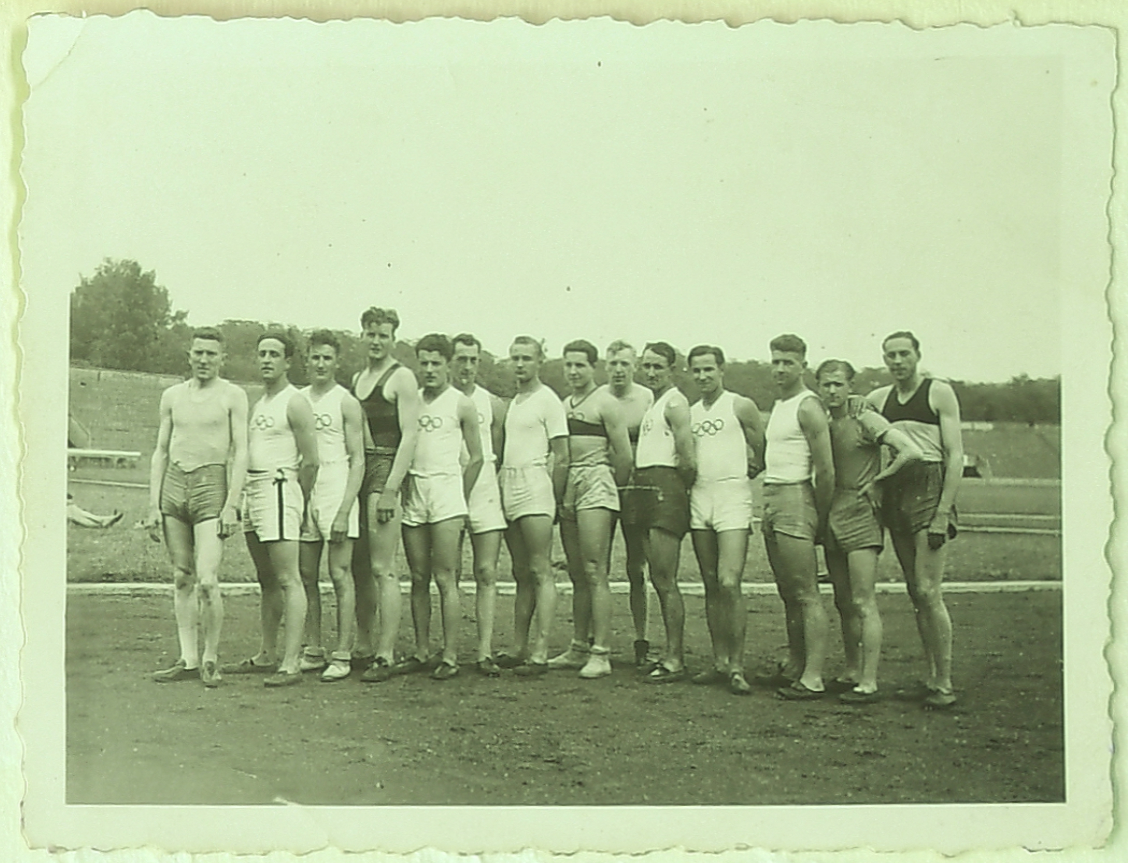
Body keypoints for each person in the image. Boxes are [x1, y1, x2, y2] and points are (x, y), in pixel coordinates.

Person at [144, 327, 248, 688]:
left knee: (207, 580)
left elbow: (241, 451)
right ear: (189, 355)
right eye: (198, 353)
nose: (204, 360)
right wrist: (154, 504)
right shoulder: (172, 395)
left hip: (211, 487)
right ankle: (187, 658)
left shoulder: (232, 395)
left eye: (211, 354)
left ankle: (210, 659)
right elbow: (160, 450)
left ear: (223, 358)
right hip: (174, 485)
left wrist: (233, 504)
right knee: (181, 577)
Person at [867, 331, 963, 710]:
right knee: (914, 589)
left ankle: (944, 682)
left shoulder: (938, 392)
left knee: (928, 590)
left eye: (904, 354)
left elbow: (955, 456)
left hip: (930, 487)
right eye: (890, 355)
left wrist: (943, 511)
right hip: (897, 489)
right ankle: (931, 678)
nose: (897, 361)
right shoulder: (878, 399)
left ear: (917, 355)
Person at [816, 359, 922, 703]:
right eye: (826, 384)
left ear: (850, 386)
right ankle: (851, 671)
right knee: (843, 601)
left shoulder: (865, 417)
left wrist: (880, 481)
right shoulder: (820, 419)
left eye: (838, 384)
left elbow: (910, 451)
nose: (832, 390)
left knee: (863, 600)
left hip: (860, 515)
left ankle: (869, 681)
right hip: (831, 512)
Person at [223, 331, 319, 687]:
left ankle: (291, 662)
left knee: (288, 578)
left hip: (280, 489)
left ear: (288, 361)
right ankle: (266, 654)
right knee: (266, 580)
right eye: (262, 353)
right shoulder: (260, 402)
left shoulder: (295, 401)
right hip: (254, 491)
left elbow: (311, 461)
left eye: (274, 354)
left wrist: (300, 501)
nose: (266, 360)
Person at [398, 334, 484, 681]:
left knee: (445, 577)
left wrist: (457, 497)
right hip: (415, 491)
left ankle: (449, 655)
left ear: (449, 364)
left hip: (447, 493)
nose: (430, 370)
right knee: (418, 577)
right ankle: (421, 650)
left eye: (437, 363)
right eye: (425, 363)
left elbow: (477, 457)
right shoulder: (411, 400)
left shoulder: (461, 403)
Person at [547, 340, 632, 679]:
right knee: (577, 572)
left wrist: (614, 492)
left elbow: (624, 455)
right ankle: (578, 646)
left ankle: (602, 652)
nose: (573, 371)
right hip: (569, 483)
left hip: (598, 482)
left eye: (580, 365)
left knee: (596, 568)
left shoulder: (607, 403)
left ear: (593, 367)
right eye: (568, 365)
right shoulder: (563, 404)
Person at [686, 345, 765, 696]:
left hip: (732, 496)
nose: (703, 376)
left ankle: (737, 665)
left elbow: (761, 449)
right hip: (700, 496)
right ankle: (719, 661)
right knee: (710, 583)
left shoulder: (739, 404)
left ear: (721, 370)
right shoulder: (688, 413)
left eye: (708, 369)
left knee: (729, 581)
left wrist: (751, 468)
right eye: (696, 370)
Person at [761, 334, 834, 701]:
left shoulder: (808, 406)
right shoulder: (780, 404)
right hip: (772, 496)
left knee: (806, 592)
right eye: (775, 361)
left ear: (803, 365)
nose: (780, 368)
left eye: (787, 362)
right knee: (787, 592)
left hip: (796, 496)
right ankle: (796, 663)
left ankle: (814, 676)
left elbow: (825, 468)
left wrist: (818, 516)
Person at [349, 307, 421, 683]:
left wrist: (392, 489)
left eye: (383, 335)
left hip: (386, 469)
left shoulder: (402, 378)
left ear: (394, 338)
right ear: (362, 335)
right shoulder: (358, 377)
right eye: (370, 334)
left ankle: (386, 653)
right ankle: (363, 645)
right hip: (359, 469)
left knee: (382, 567)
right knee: (360, 566)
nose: (376, 341)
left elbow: (410, 436)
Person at [495, 336, 569, 676]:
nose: (520, 364)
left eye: (526, 358)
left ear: (540, 361)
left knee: (540, 570)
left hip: (535, 486)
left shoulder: (548, 400)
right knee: (520, 572)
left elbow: (562, 455)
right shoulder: (517, 401)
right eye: (515, 358)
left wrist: (553, 498)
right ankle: (518, 646)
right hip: (508, 483)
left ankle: (540, 650)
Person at [295, 331, 365, 683]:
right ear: (306, 359)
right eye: (315, 357)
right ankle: (313, 648)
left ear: (337, 362)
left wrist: (344, 509)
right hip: (307, 489)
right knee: (306, 573)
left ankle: (342, 653)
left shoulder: (346, 402)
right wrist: (301, 499)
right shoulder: (298, 399)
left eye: (327, 358)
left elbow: (358, 460)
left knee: (339, 573)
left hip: (337, 489)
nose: (320, 364)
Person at [633, 342, 696, 683]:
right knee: (655, 578)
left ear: (672, 368)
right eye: (647, 366)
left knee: (664, 577)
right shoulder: (653, 404)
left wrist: (672, 491)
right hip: (644, 486)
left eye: (658, 366)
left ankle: (675, 658)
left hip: (664, 488)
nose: (652, 372)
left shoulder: (675, 402)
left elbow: (687, 459)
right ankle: (669, 653)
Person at [451, 333, 509, 677]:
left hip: (483, 488)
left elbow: (495, 453)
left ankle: (485, 651)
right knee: (449, 573)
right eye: (461, 359)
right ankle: (450, 650)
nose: (467, 367)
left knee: (486, 571)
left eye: (473, 360)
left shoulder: (493, 404)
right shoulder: (438, 401)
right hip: (447, 487)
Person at [596, 340, 654, 668]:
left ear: (635, 366)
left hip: (635, 488)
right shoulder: (598, 398)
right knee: (596, 565)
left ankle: (641, 637)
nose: (619, 369)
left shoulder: (646, 398)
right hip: (602, 486)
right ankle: (593, 636)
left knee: (637, 566)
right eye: (613, 363)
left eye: (625, 364)